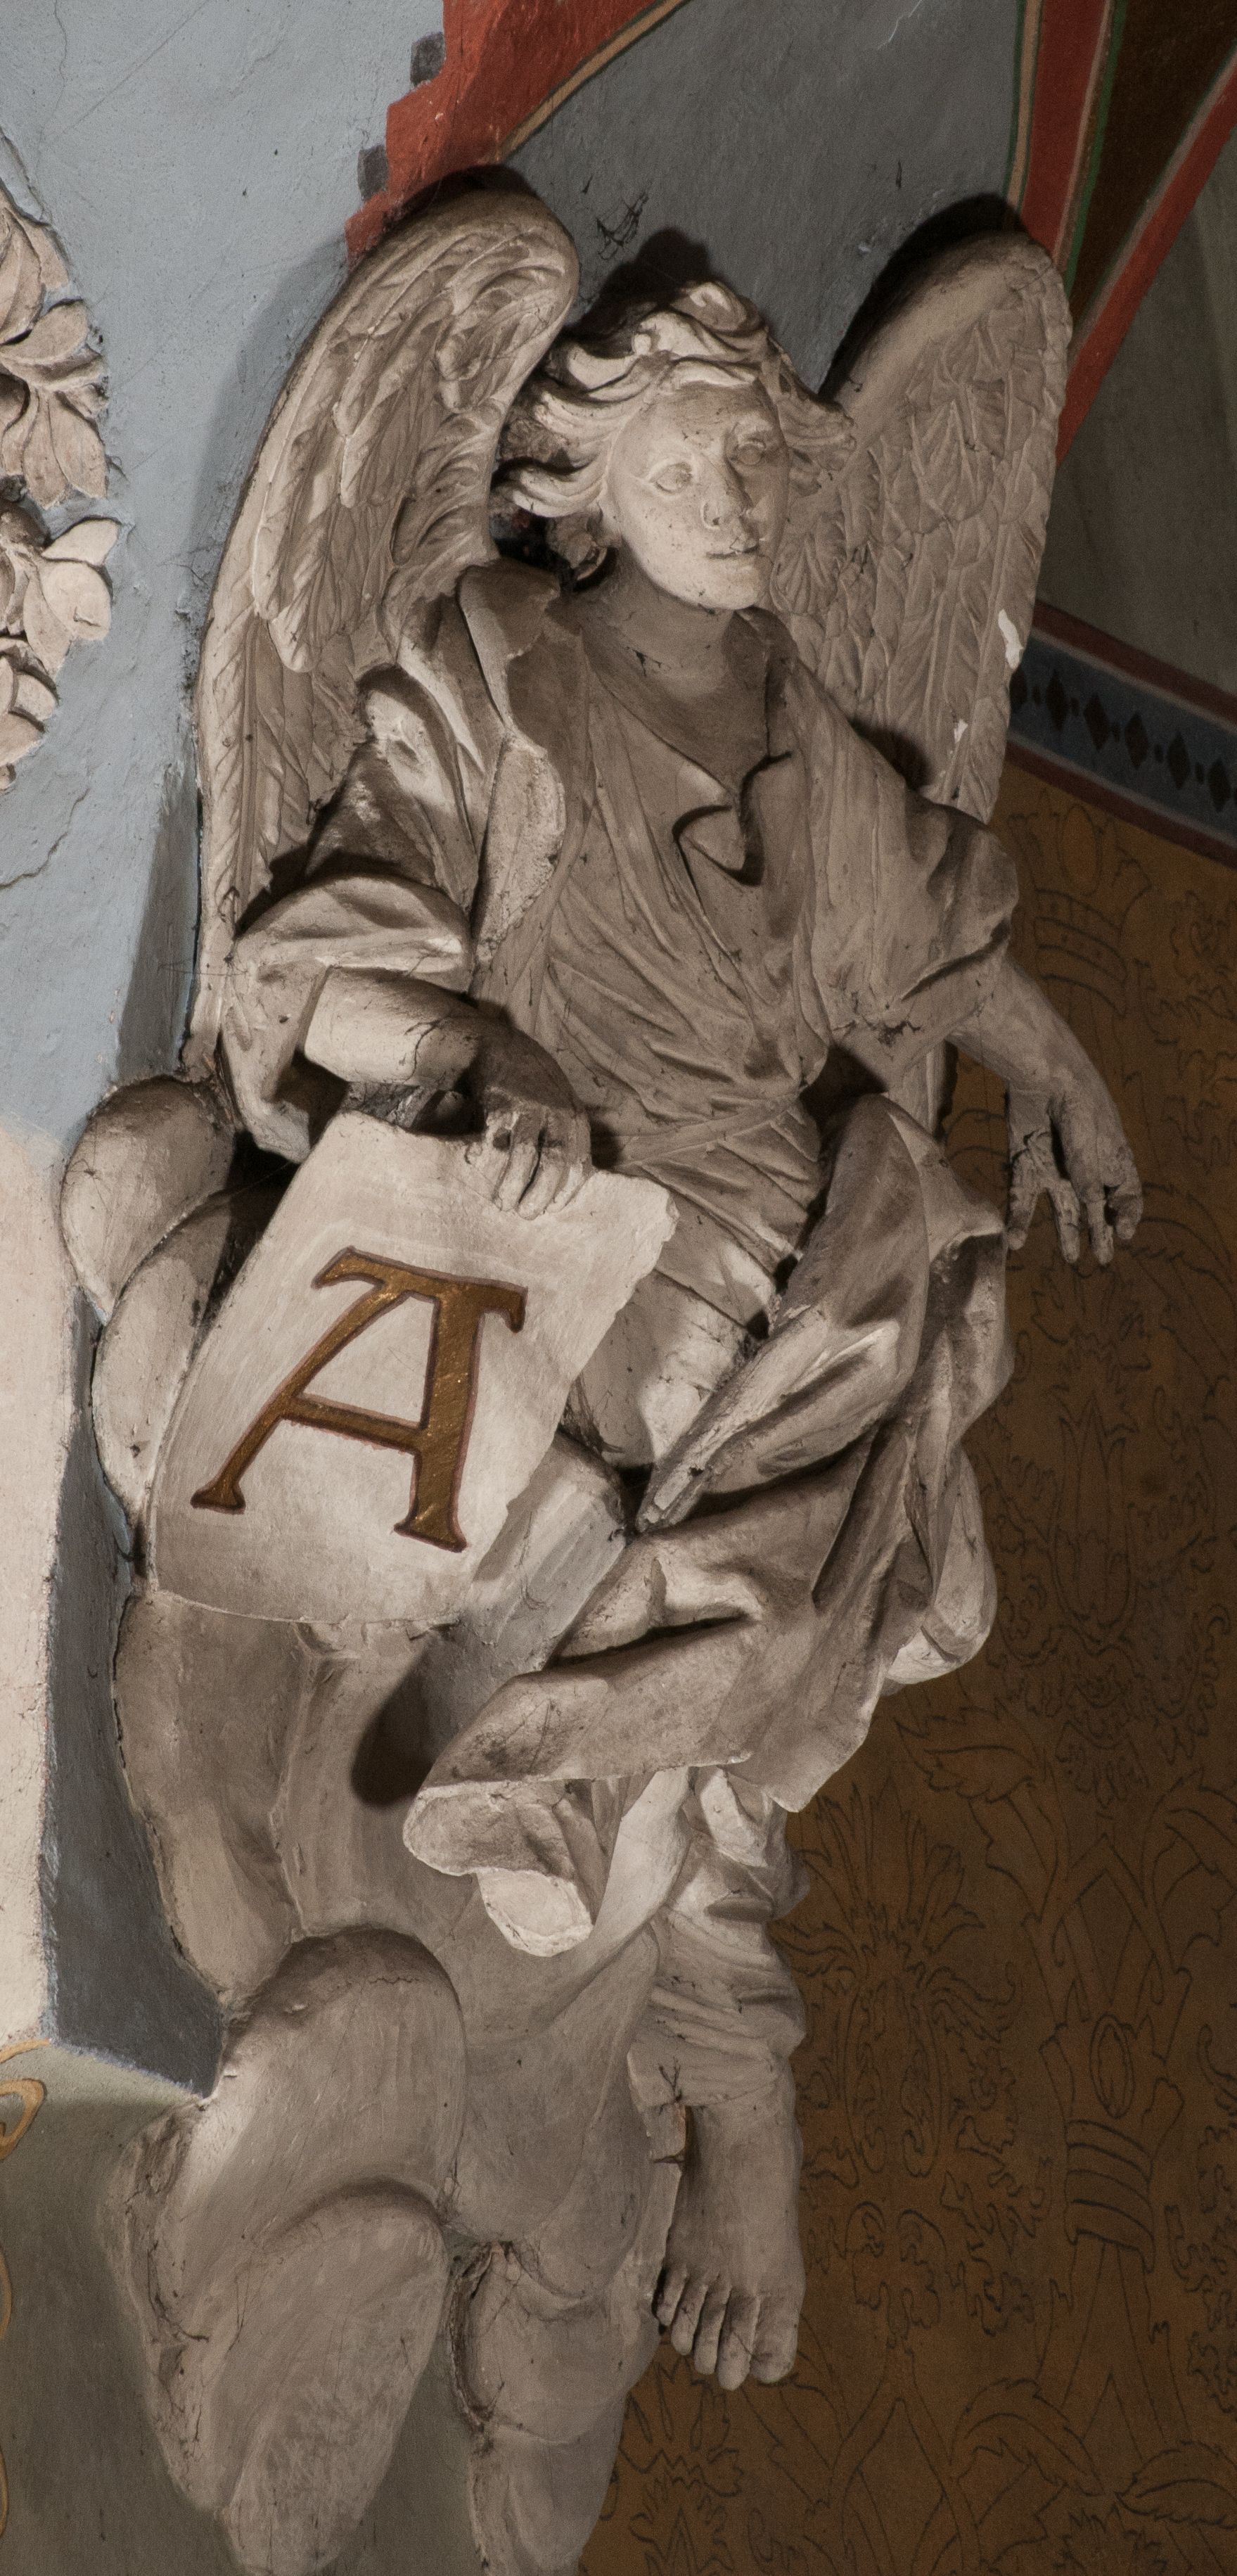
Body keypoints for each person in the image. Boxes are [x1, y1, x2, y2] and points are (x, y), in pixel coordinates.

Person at [99, 280, 1139, 2576]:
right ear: (583, 474)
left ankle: (686, 2004)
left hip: (802, 1247)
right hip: (565, 1239)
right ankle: (715, 2052)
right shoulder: (499, 671)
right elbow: (317, 959)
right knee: (707, 1582)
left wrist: (1060, 1073)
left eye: (762, 455)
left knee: (803, 1567)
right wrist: (475, 1052)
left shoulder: (797, 719)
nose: (736, 490)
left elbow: (926, 954)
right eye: (687, 456)